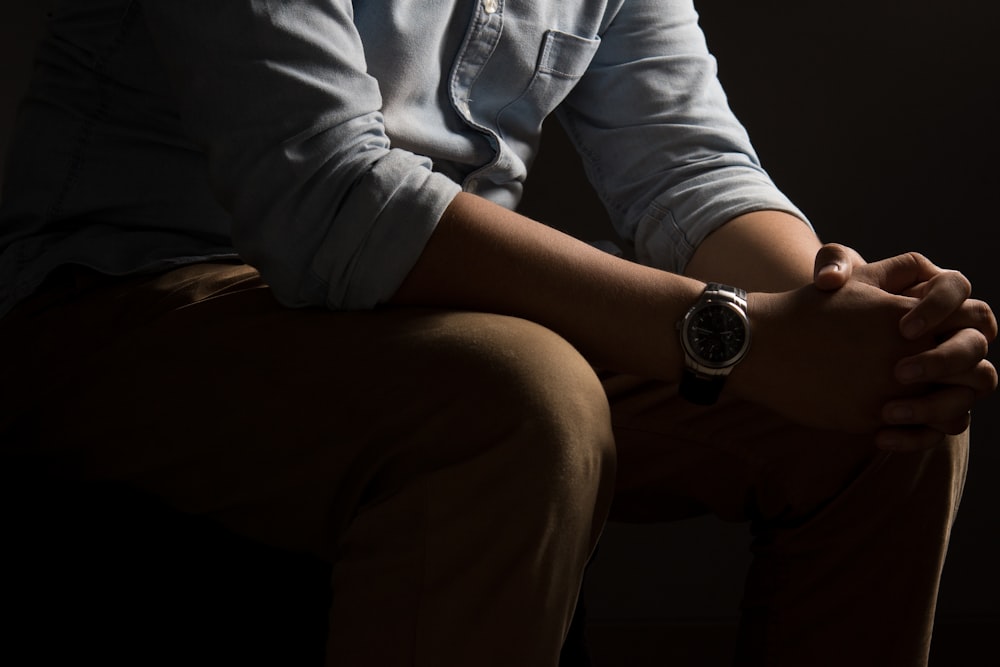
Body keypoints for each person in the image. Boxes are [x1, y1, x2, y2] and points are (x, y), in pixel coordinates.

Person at [0, 1, 995, 665]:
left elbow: (689, 173)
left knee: (894, 409)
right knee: (520, 393)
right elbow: (326, 198)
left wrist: (841, 313)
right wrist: (742, 337)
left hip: (439, 309)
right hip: (130, 303)